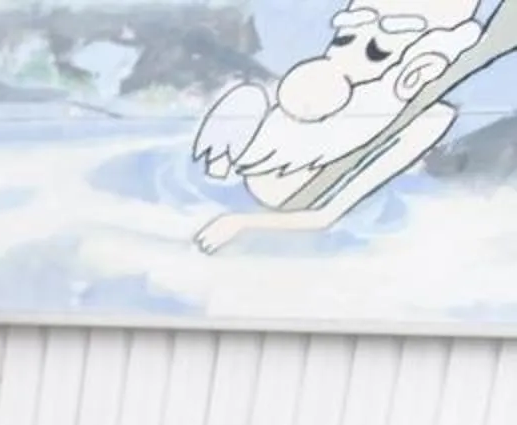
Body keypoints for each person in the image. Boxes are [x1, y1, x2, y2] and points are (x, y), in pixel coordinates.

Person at [190, 0, 513, 248]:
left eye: (378, 51)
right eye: (345, 39)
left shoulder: (427, 120)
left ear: (420, 67)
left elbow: (324, 216)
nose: (343, 60)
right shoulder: (255, 109)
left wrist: (239, 223)